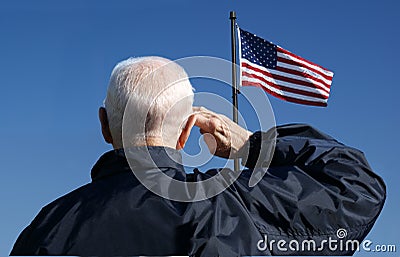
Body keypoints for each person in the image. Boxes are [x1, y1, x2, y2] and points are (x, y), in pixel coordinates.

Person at [11, 56, 386, 256]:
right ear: (188, 130)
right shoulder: (234, 210)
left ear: (104, 126)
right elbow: (356, 185)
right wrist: (251, 146)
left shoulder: (47, 229)